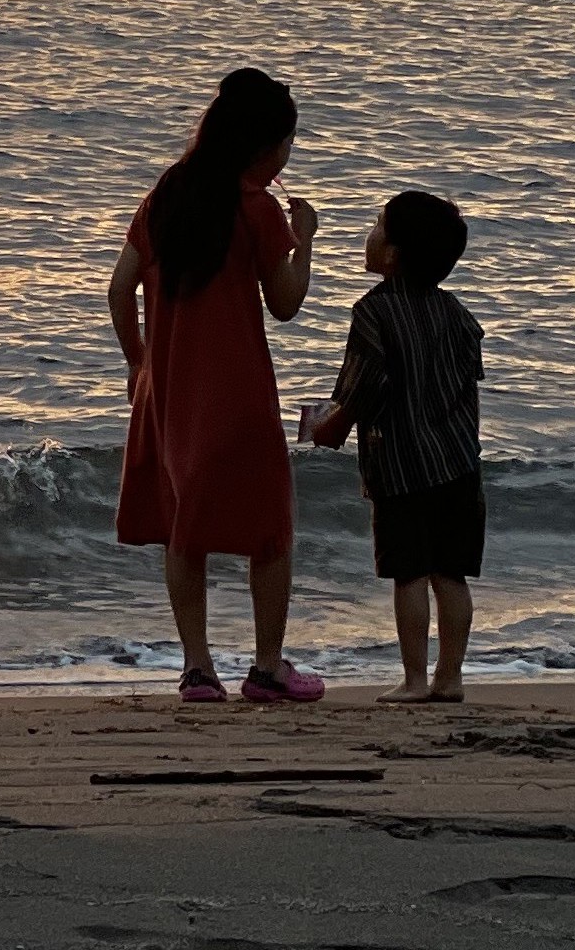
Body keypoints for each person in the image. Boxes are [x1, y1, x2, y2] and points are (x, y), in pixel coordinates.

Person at [108, 67, 325, 704]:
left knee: (185, 525)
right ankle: (266, 667)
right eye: (287, 142)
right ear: (263, 145)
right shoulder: (256, 208)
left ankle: (199, 669)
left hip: (168, 390)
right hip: (238, 391)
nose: (289, 154)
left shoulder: (168, 195)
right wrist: (305, 242)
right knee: (271, 526)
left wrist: (138, 363)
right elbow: (285, 303)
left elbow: (120, 290)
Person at [303, 191, 483, 704]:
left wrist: (330, 429)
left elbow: (359, 392)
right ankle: (451, 679)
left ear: (395, 253)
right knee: (451, 575)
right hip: (458, 465)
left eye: (378, 226)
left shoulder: (373, 313)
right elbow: (469, 388)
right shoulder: (458, 313)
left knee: (408, 574)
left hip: (402, 466)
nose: (370, 233)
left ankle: (413, 679)